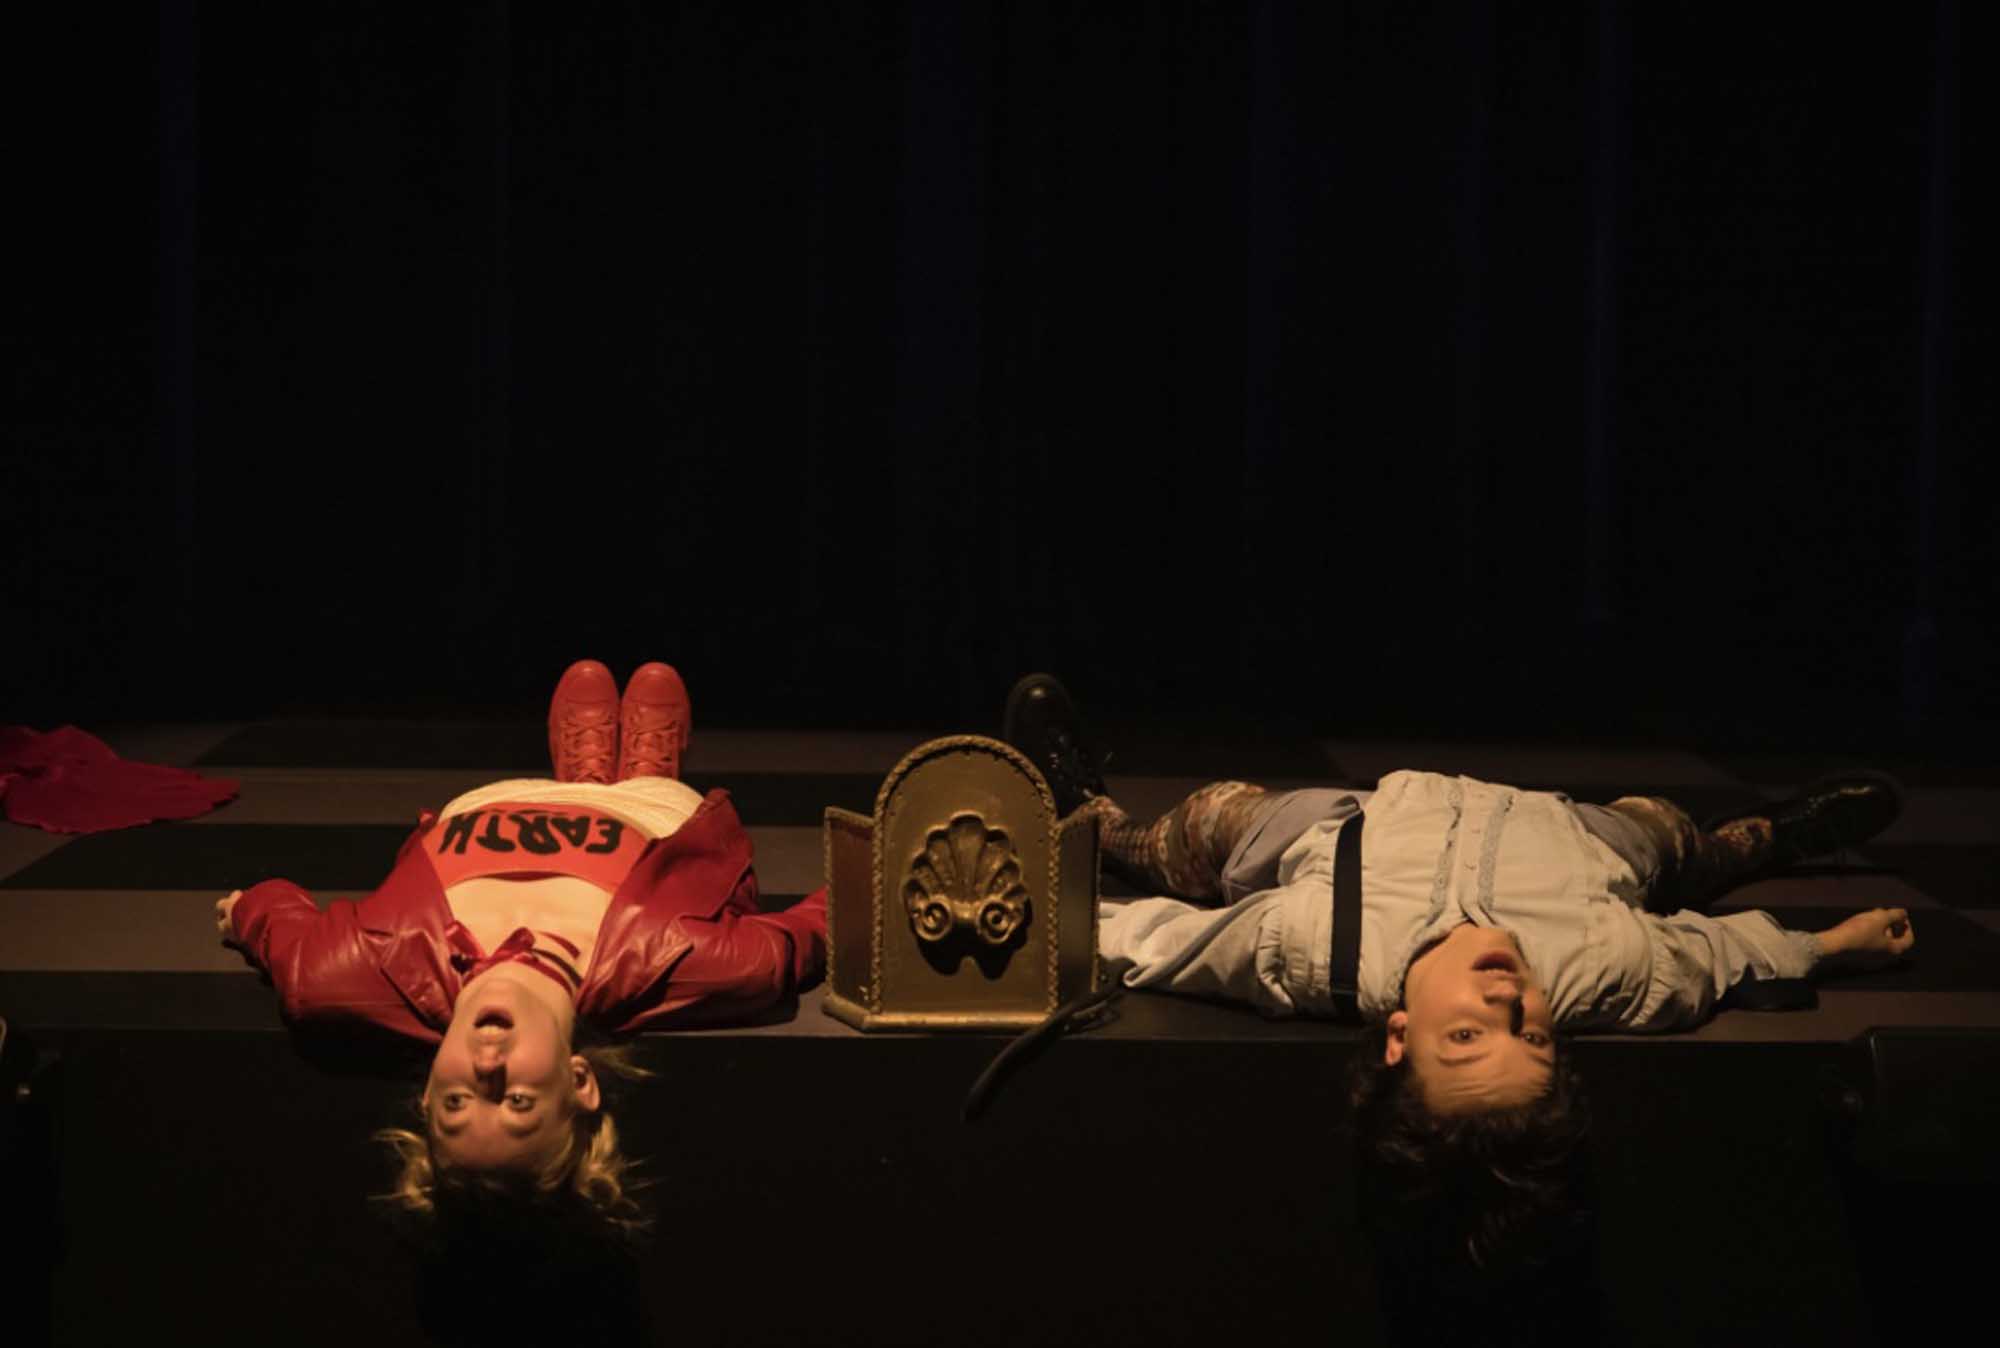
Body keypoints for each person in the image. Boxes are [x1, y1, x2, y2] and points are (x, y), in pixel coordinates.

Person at [1000, 673, 1912, 1282]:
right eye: (1534, 1033)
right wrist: (1828, 948)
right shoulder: (1615, 974)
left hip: (1352, 828)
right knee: (1668, 838)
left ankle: (1097, 819)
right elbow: (1712, 956)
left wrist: (1012, 920)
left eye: (1470, 1033)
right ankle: (1769, 837)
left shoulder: (1317, 951)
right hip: (1568, 835)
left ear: (1398, 1037)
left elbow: (1164, 941)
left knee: (1207, 827)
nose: (1507, 1000)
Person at [215, 660, 826, 1228]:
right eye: (517, 1100)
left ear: (427, 1092)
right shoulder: (679, 962)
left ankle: (585, 771)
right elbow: (820, 924)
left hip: (499, 799)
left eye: (457, 1101)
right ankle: (645, 770)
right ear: (579, 1082)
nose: (487, 1067)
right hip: (648, 812)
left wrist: (246, 913)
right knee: (656, 794)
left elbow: (283, 925)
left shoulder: (346, 974)